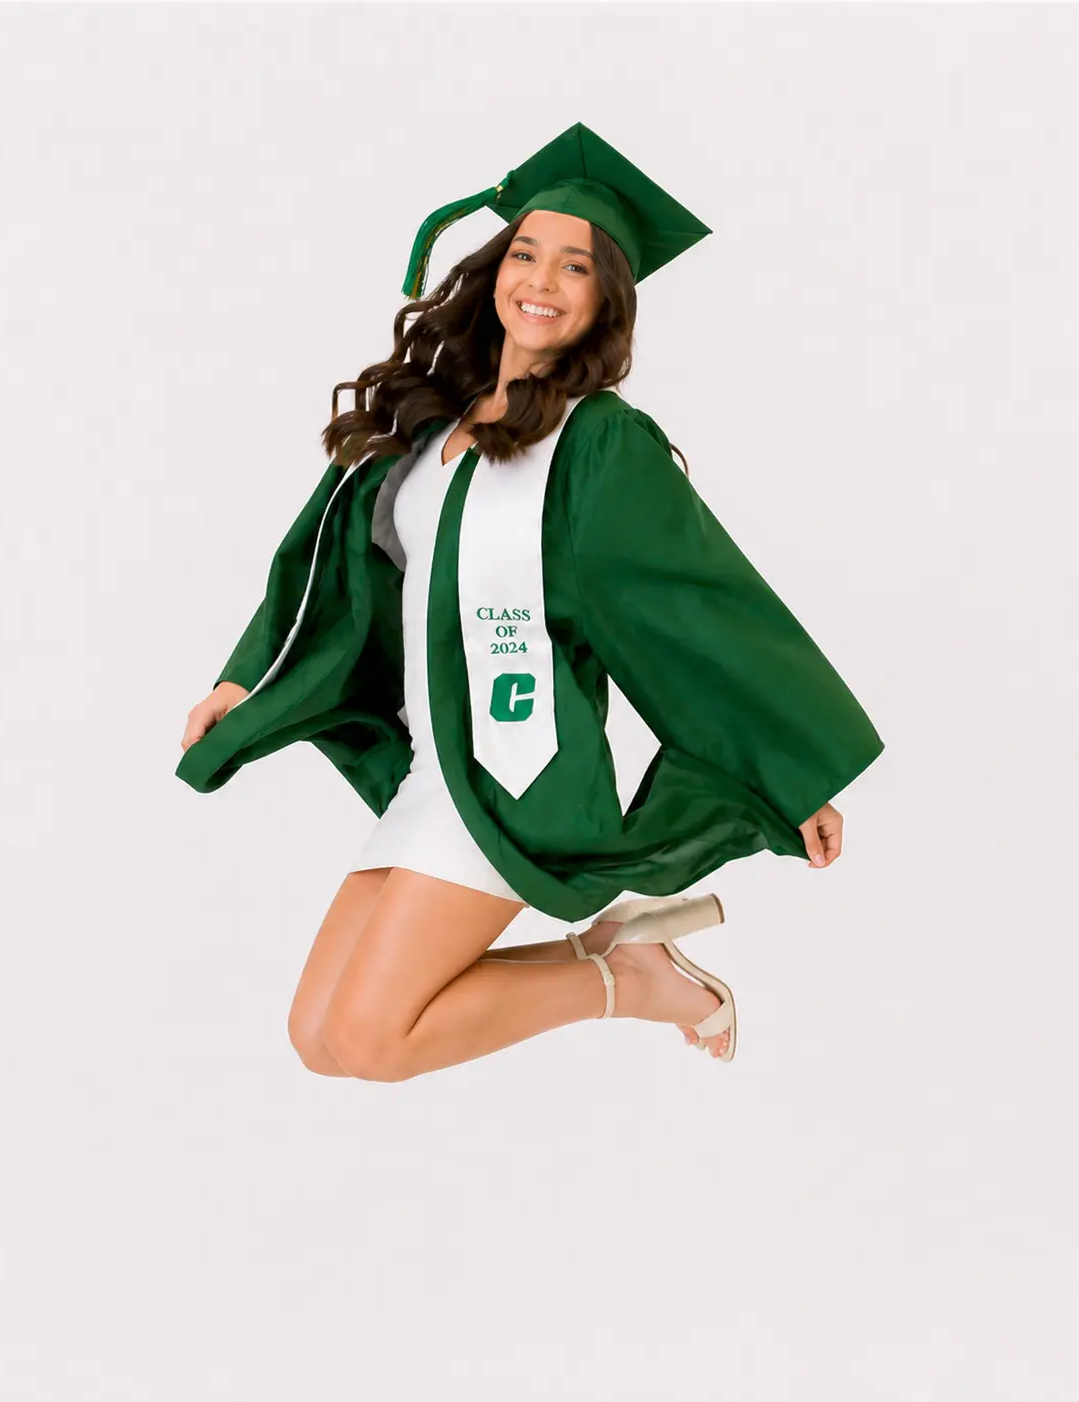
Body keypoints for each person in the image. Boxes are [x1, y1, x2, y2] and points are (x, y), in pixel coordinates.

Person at [176, 121, 885, 1082]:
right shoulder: (427, 424)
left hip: (517, 769)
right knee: (322, 1038)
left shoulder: (598, 444)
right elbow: (326, 577)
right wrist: (243, 679)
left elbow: (696, 602)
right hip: (438, 770)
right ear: (494, 271)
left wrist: (791, 766)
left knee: (378, 1038)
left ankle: (628, 985)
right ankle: (621, 957)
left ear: (606, 302)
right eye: (525, 254)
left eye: (576, 268)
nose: (542, 282)